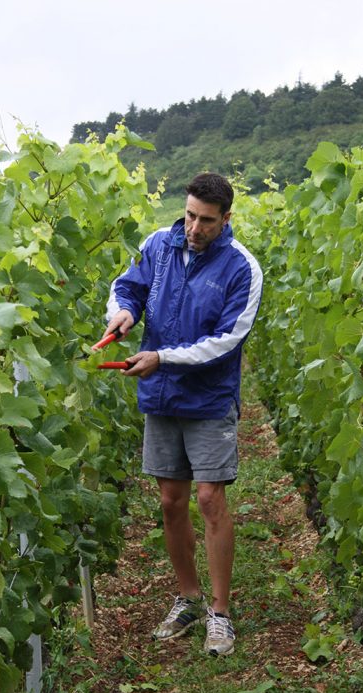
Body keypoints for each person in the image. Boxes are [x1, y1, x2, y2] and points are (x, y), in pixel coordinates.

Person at [103, 172, 263, 656]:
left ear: (226, 219)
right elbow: (127, 286)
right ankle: (188, 598)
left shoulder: (242, 269)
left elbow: (228, 341)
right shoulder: (158, 244)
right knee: (172, 501)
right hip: (161, 396)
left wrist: (163, 358)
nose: (194, 227)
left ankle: (220, 613)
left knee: (210, 500)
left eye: (206, 221)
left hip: (209, 398)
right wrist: (123, 314)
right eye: (190, 215)